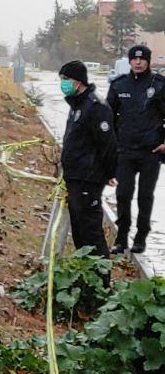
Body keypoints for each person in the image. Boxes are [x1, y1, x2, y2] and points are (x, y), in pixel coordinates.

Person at [106, 45, 165, 254]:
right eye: (134, 59)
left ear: (148, 61)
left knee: (145, 196)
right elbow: (107, 119)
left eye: (142, 59)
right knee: (122, 194)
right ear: (129, 61)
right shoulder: (119, 85)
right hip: (125, 151)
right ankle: (121, 239)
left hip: (151, 152)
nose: (138, 63)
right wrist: (108, 147)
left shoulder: (159, 85)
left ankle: (141, 238)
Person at [59, 60, 118, 263]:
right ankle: (86, 279)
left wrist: (110, 173)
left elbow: (108, 144)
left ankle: (101, 282)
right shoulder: (76, 105)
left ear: (78, 81)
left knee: (91, 233)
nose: (63, 83)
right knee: (79, 232)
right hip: (75, 177)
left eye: (66, 79)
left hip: (88, 178)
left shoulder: (95, 107)